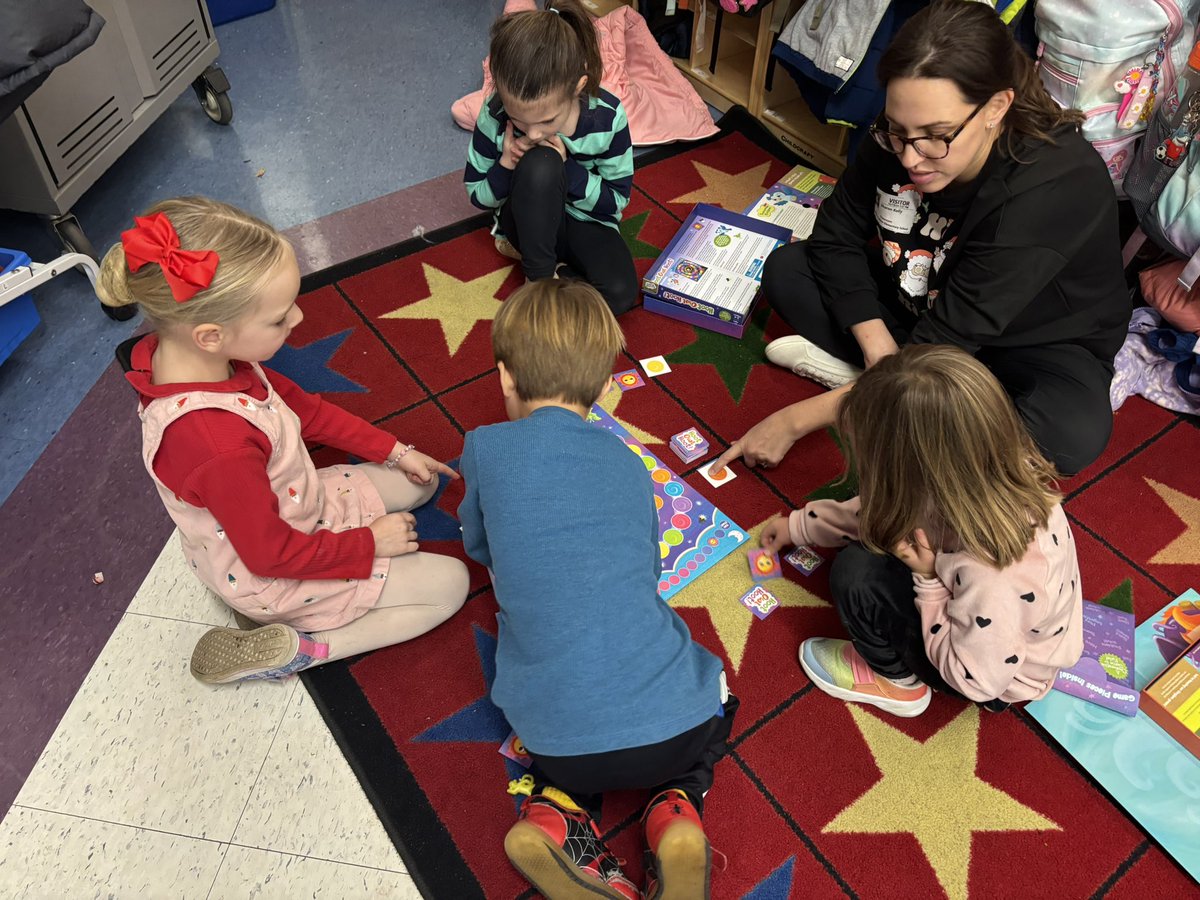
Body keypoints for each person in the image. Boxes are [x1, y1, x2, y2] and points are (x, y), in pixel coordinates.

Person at [712, 0, 1129, 480]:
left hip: (1027, 349)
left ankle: (880, 395)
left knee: (1068, 435)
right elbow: (833, 236)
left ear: (996, 107)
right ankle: (892, 393)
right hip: (923, 309)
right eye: (898, 132)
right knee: (789, 269)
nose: (911, 158)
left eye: (936, 136)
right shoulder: (902, 128)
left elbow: (951, 341)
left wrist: (795, 420)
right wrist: (881, 354)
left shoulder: (1054, 185)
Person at [98, 198, 469, 684]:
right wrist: (368, 543)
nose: (297, 318)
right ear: (210, 335)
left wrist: (393, 450)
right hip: (273, 573)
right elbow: (269, 555)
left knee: (419, 481)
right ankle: (305, 650)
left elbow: (305, 410)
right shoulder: (216, 444)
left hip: (291, 507)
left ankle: (344, 545)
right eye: (278, 318)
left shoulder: (195, 356)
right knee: (451, 586)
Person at [457, 280, 735, 899]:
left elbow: (478, 546)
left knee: (567, 728)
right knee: (719, 697)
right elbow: (648, 568)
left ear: (505, 377)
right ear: (605, 385)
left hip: (557, 745)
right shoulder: (629, 461)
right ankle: (676, 808)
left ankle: (557, 814)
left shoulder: (483, 448)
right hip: (678, 732)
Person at [759, 344, 1084, 717]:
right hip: (996, 613)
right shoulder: (986, 465)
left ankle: (896, 683)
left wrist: (928, 579)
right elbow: (886, 508)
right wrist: (801, 526)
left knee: (857, 573)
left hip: (989, 672)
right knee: (884, 530)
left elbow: (978, 681)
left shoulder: (994, 575)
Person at [463, 0, 638, 315]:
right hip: (525, 221)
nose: (532, 134)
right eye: (519, 120)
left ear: (578, 88)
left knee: (621, 294)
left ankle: (560, 274)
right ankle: (539, 281)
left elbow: (615, 202)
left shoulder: (608, 118)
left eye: (546, 121)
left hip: (587, 222)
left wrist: (570, 171)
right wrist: (506, 165)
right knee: (541, 163)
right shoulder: (494, 114)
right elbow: (477, 194)